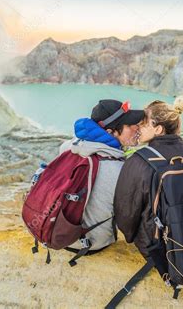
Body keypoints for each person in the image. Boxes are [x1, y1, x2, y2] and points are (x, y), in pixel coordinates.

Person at [113, 96, 183, 274]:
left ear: (158, 129)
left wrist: (131, 237)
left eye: (144, 123)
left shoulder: (138, 162)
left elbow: (125, 215)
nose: (138, 128)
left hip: (157, 251)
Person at [59, 99, 144, 252]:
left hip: (61, 235)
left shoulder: (67, 147)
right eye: (130, 125)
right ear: (110, 132)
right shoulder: (119, 168)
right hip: (94, 243)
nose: (136, 128)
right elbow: (130, 222)